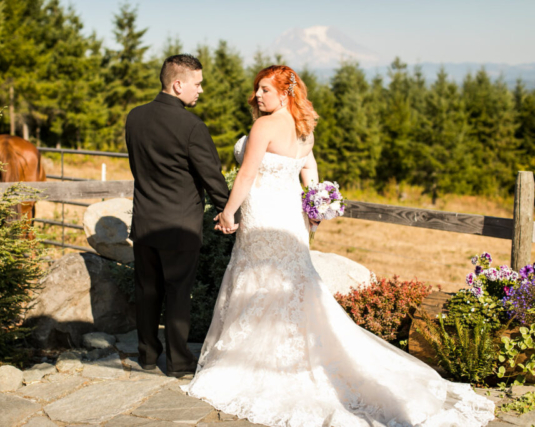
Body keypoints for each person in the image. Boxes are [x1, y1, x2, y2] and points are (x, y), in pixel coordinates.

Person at [182, 65, 495, 426]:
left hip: (264, 218)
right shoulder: (304, 128)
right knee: (291, 285)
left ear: (285, 93)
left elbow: (248, 174)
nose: (258, 96)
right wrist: (315, 204)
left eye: (265, 90)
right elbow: (309, 169)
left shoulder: (264, 126)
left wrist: (228, 213)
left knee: (261, 282)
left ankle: (257, 360)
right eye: (257, 90)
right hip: (289, 219)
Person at [125, 54, 238, 378]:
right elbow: (211, 177)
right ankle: (178, 361)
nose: (200, 90)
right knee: (177, 293)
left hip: (145, 221)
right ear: (178, 84)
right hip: (180, 226)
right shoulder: (191, 126)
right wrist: (228, 211)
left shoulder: (135, 117)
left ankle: (146, 355)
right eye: (197, 83)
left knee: (146, 290)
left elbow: (139, 168)